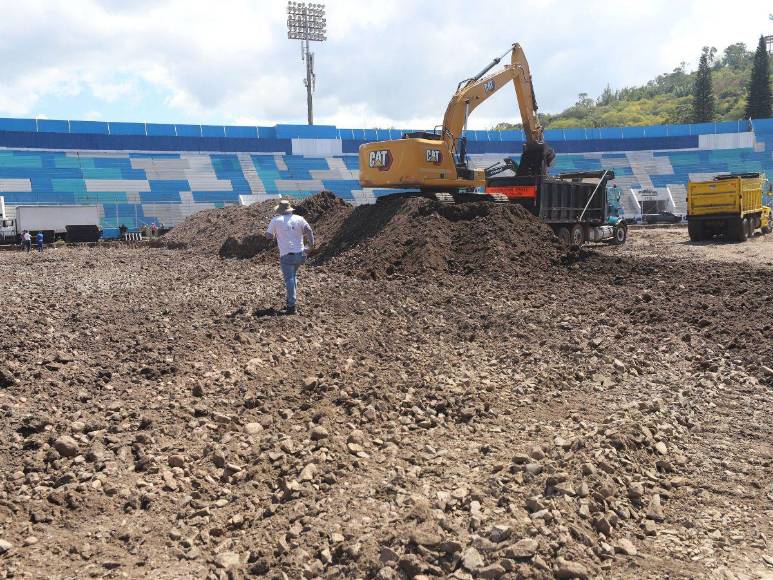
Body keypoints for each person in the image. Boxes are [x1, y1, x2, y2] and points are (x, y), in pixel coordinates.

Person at [264, 199, 315, 315]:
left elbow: (268, 236)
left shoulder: (276, 220)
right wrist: (310, 247)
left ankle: (291, 306)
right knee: (293, 276)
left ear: (280, 210)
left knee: (289, 279)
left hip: (287, 255)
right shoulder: (299, 219)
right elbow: (309, 231)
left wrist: (269, 234)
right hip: (301, 254)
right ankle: (290, 301)